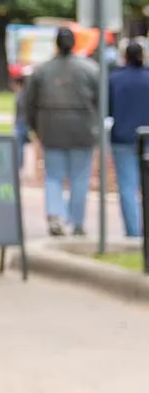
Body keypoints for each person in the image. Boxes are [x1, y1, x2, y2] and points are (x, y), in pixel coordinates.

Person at [23, 28, 101, 237]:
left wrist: (35, 127)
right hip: (82, 128)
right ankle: (76, 221)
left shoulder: (41, 70)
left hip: (51, 127)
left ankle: (55, 215)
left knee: (54, 176)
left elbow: (29, 102)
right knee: (80, 177)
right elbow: (102, 101)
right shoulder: (90, 69)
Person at [108, 42, 149, 238]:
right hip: (147, 137)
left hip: (122, 137)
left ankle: (133, 232)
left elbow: (107, 108)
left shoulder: (115, 79)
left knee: (127, 186)